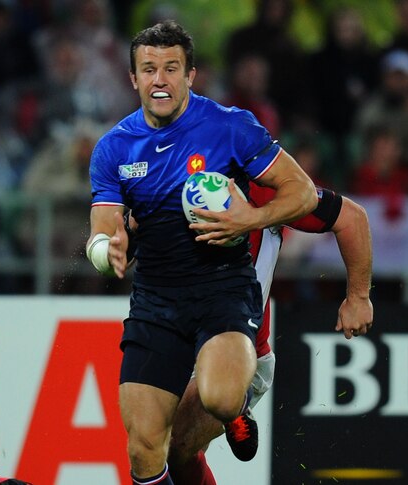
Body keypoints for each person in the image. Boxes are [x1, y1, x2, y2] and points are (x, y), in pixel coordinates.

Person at [86, 21, 318, 484]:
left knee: (220, 398)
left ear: (190, 75)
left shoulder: (230, 127)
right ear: (133, 78)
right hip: (155, 302)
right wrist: (104, 250)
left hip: (223, 292)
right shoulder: (114, 148)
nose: (159, 79)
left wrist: (248, 219)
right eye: (148, 69)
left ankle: (234, 410)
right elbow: (100, 231)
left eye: (171, 68)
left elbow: (304, 193)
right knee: (144, 446)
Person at [164, 185, 374, 484]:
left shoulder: (264, 184)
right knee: (161, 452)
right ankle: (231, 407)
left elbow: (350, 216)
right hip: (172, 341)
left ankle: (233, 401)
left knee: (172, 445)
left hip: (239, 351)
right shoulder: (167, 169)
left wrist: (358, 298)